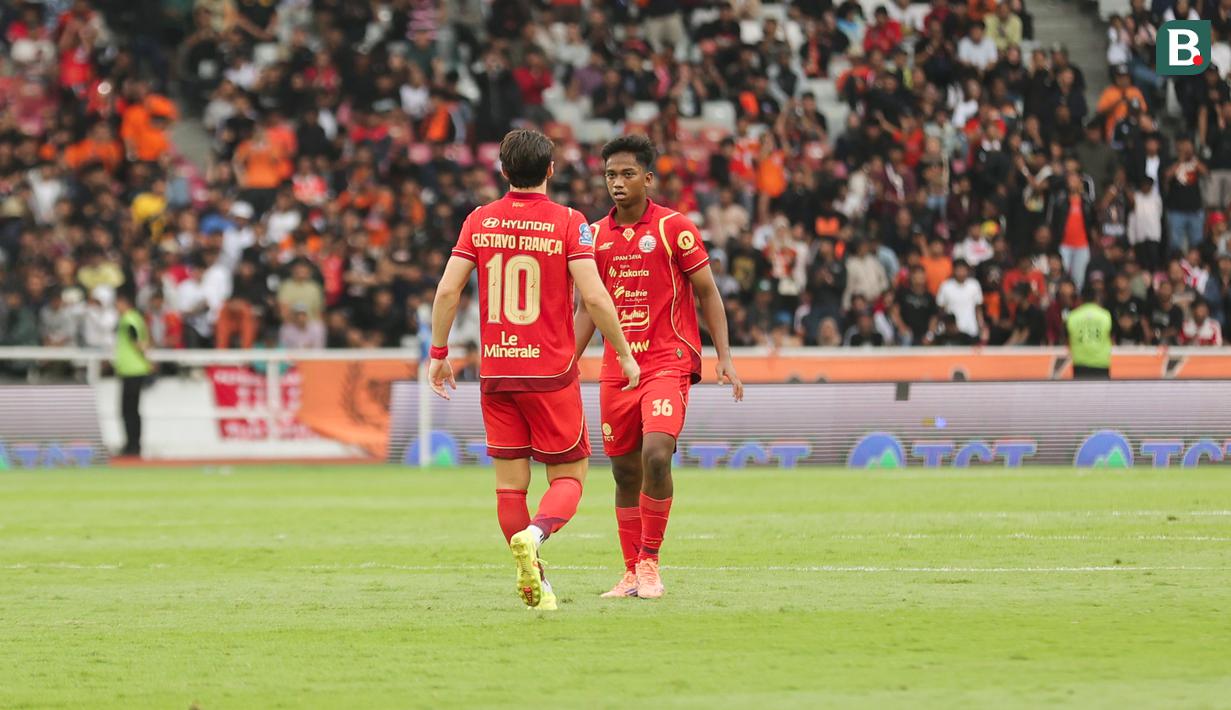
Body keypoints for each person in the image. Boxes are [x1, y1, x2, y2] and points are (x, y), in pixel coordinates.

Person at [428, 129, 640, 611]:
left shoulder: (479, 220)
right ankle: (537, 535)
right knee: (570, 475)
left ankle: (538, 582)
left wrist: (438, 352)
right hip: (550, 371)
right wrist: (624, 352)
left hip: (497, 369)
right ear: (550, 170)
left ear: (503, 172)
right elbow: (594, 295)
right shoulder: (569, 222)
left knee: (510, 484)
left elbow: (446, 291)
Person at [574, 134, 744, 601]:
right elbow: (588, 306)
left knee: (655, 454)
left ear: (648, 178)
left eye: (628, 174)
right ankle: (630, 572)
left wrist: (723, 356)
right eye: (610, 174)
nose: (618, 183)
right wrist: (566, 364)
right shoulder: (592, 237)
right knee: (624, 473)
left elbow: (708, 291)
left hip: (667, 361)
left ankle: (650, 562)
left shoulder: (674, 228)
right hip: (617, 368)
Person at [113, 289, 152, 456]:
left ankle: (132, 446)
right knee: (131, 410)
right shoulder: (135, 318)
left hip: (133, 370)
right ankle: (133, 445)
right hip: (132, 370)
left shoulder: (128, 320)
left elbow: (139, 343)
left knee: (128, 411)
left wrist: (146, 358)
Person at [1066, 289, 1113, 379]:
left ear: (1081, 299)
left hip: (1080, 363)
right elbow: (1110, 336)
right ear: (1096, 298)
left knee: (1081, 393)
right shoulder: (1105, 315)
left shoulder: (1072, 316)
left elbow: (1067, 339)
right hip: (1101, 363)